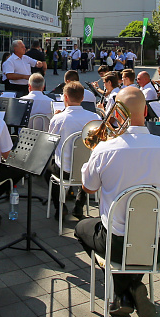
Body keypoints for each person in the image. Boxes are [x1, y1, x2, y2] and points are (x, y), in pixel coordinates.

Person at [76, 87, 160, 317]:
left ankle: (123, 291)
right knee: (136, 245)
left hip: (118, 244)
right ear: (146, 110)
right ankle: (132, 288)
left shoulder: (105, 149)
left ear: (117, 111)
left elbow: (89, 187)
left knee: (80, 229)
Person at [46, 82, 100, 220]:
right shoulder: (95, 117)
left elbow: (51, 142)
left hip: (64, 170)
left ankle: (60, 207)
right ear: (82, 98)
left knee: (48, 172)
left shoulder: (58, 119)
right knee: (86, 166)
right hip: (86, 170)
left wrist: (55, 117)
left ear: (65, 97)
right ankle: (79, 205)